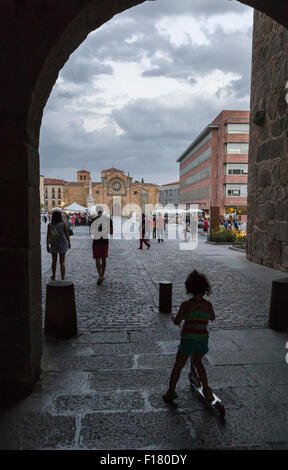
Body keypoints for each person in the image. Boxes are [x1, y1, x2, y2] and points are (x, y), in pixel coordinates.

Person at [163, 269, 215, 403]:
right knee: (199, 363)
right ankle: (207, 390)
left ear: (189, 289)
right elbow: (212, 317)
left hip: (187, 341)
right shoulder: (208, 305)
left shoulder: (186, 305)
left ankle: (171, 391)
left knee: (178, 366)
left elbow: (177, 321)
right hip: (202, 341)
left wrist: (175, 317)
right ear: (205, 289)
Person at [90, 206, 113, 285]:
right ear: (102, 211)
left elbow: (91, 232)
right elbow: (111, 231)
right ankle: (102, 274)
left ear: (97, 211)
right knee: (104, 259)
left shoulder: (93, 219)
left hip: (96, 241)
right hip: (105, 241)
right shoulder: (108, 219)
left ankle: (99, 275)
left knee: (97, 259)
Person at [46, 209, 71, 280]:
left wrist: (47, 245)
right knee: (62, 261)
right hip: (63, 243)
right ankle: (62, 277)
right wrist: (69, 243)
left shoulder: (50, 225)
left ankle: (53, 275)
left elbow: (48, 236)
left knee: (54, 261)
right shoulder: (63, 224)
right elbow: (66, 234)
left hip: (54, 244)